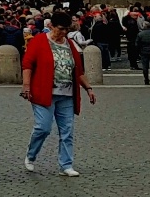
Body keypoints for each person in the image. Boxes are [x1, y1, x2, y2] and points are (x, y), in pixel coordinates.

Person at [21, 9, 96, 177]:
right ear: (51, 26)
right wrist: (26, 86)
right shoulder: (39, 41)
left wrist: (88, 88)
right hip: (43, 92)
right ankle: (31, 155)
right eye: (60, 29)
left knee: (67, 131)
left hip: (66, 94)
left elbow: (78, 70)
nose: (63, 33)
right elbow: (28, 64)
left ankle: (66, 164)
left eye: (66, 29)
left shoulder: (69, 44)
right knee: (43, 128)